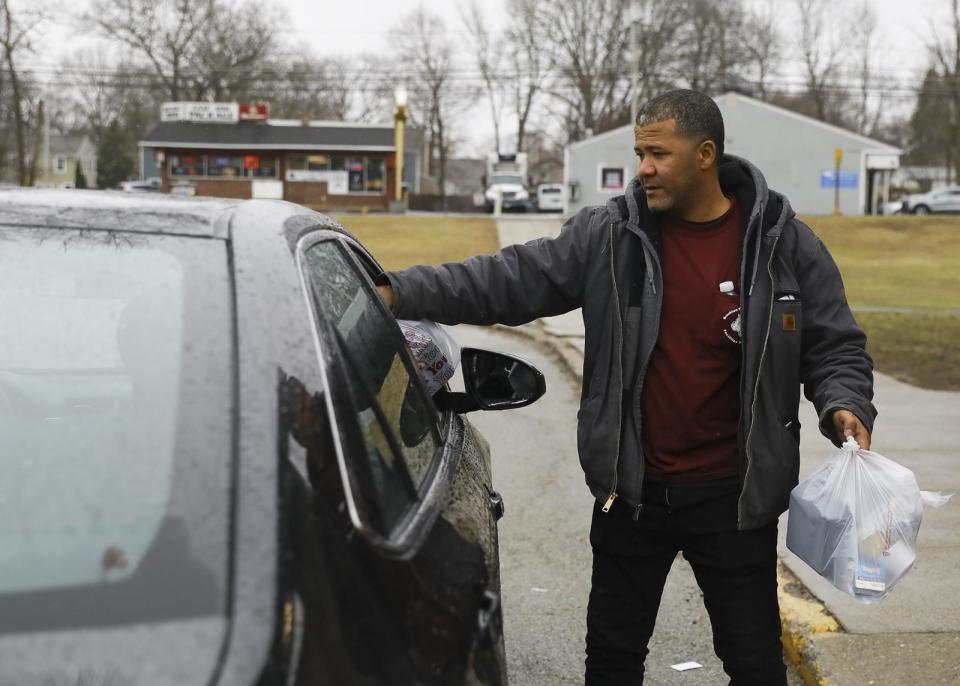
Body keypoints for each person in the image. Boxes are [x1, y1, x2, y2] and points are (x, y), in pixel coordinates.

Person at [376, 89, 875, 685]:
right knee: (612, 663)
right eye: (639, 152)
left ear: (705, 155)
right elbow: (505, 280)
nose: (643, 168)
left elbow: (835, 343)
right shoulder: (611, 235)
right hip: (632, 495)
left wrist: (843, 402)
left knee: (755, 664)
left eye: (657, 154)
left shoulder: (781, 244)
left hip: (735, 502)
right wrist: (396, 292)